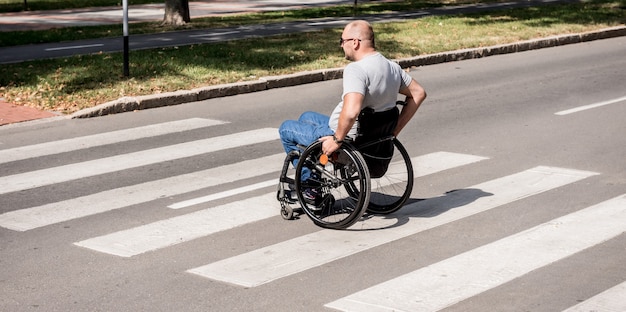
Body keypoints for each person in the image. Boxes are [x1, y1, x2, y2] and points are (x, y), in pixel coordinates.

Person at [279, 20, 427, 201]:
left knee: (286, 129)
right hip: (371, 138)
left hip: (347, 138)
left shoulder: (357, 70)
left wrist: (336, 140)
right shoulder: (391, 67)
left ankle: (311, 186)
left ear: (355, 42)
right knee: (307, 116)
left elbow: (351, 111)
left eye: (342, 41)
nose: (341, 45)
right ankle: (314, 169)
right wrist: (393, 132)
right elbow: (418, 93)